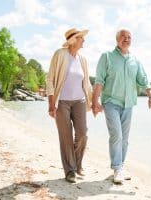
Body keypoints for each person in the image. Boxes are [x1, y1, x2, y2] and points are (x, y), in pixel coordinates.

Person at [92, 29, 151, 184]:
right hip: (110, 103)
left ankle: (120, 167)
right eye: (123, 37)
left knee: (125, 139)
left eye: (129, 37)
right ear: (117, 40)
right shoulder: (107, 56)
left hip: (128, 105)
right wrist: (94, 102)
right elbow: (99, 81)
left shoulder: (135, 60)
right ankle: (117, 168)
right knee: (117, 135)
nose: (126, 39)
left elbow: (143, 80)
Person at [46, 28, 92, 183]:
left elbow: (87, 83)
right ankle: (70, 171)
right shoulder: (60, 54)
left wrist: (93, 101)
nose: (84, 41)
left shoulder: (82, 59)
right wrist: (51, 103)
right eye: (81, 38)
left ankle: (77, 164)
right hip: (62, 102)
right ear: (73, 40)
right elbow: (50, 79)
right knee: (65, 137)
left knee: (82, 134)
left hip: (80, 101)